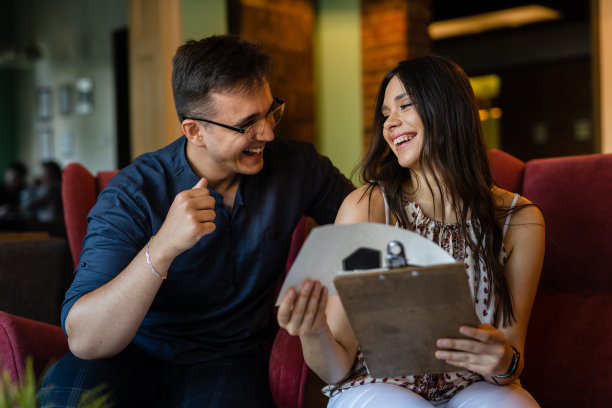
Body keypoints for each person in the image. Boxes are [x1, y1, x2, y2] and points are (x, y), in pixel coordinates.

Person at [39, 34, 353, 407]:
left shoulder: (298, 167)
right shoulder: (132, 192)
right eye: (247, 124)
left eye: (271, 112)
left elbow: (368, 222)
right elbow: (85, 339)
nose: (268, 133)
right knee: (67, 396)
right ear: (194, 131)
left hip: (229, 358)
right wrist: (163, 247)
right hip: (130, 351)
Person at [277, 55, 545, 407]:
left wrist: (502, 360)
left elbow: (512, 359)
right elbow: (335, 367)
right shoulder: (368, 208)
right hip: (378, 386)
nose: (390, 124)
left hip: (472, 387)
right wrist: (313, 330)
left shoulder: (519, 219)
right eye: (385, 114)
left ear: (449, 108)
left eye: (405, 106)